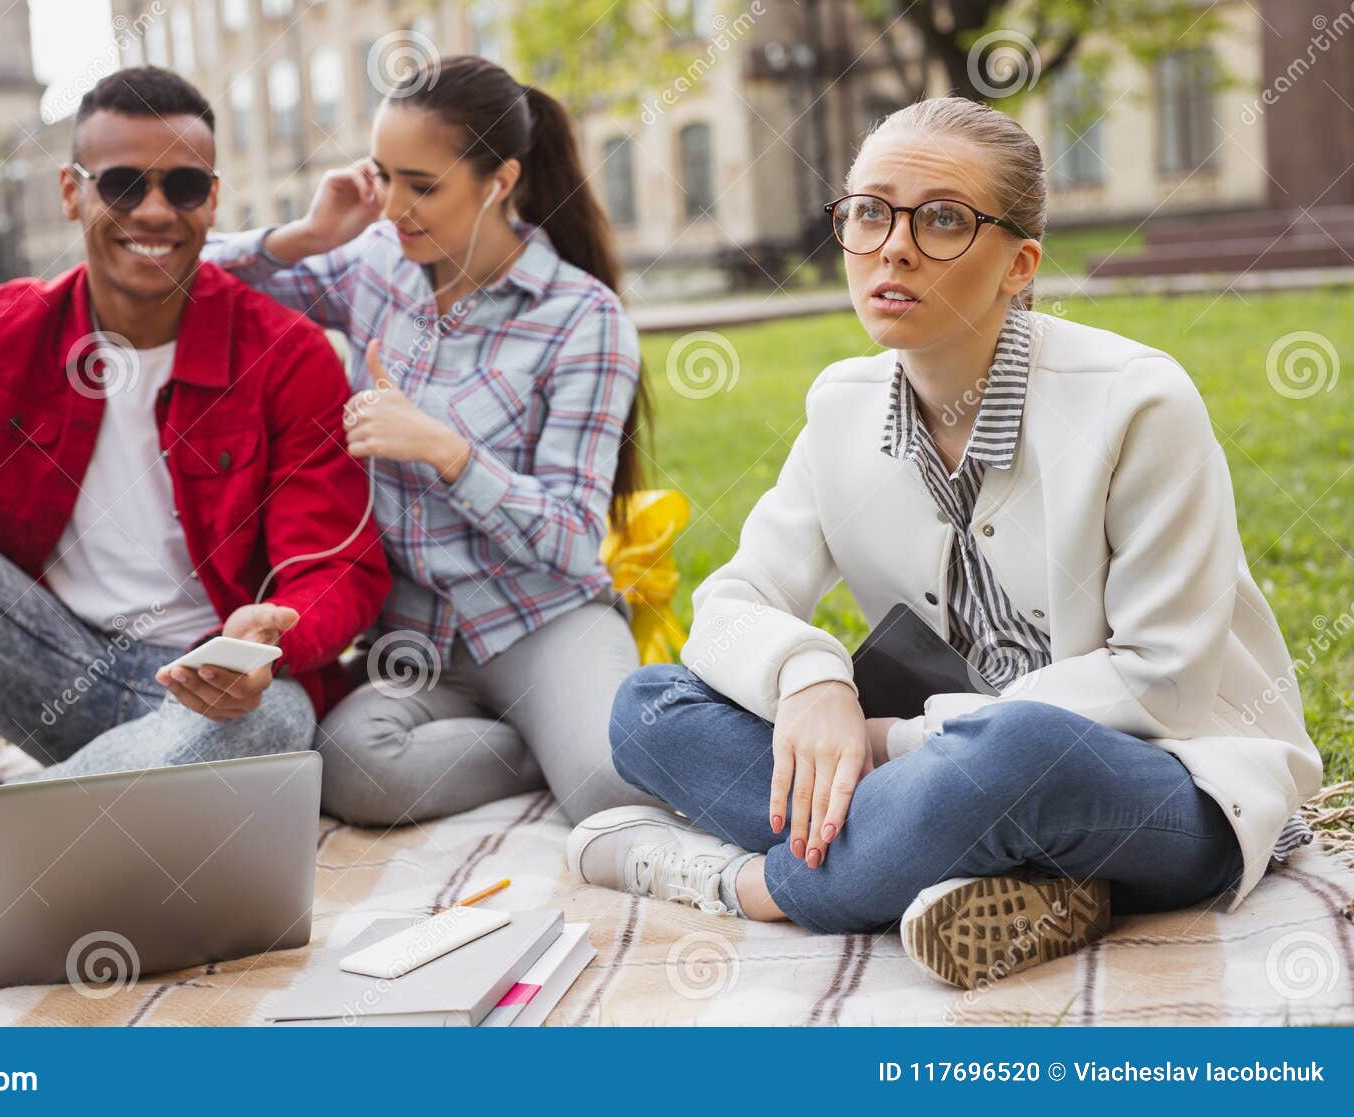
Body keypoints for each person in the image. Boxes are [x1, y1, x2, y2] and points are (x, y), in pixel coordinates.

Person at [566, 96, 1324, 989]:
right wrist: (810, 680)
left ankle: (747, 884)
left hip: (1162, 776)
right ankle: (1000, 874)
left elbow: (1163, 680)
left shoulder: (1138, 400)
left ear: (1019, 264)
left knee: (1014, 756)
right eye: (870, 212)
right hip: (949, 771)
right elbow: (732, 606)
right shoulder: (841, 404)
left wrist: (895, 743)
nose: (894, 246)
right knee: (650, 705)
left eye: (944, 220)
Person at [0, 67, 388, 857]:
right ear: (70, 191)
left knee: (279, 722)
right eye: (123, 184)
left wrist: (272, 638)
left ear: (213, 200)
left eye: (184, 185)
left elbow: (340, 566)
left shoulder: (284, 354)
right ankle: (16, 818)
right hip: (46, 664)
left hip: (212, 688)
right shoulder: (3, 334)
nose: (155, 210)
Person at [206, 55, 661, 827]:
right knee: (351, 770)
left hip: (541, 617)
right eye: (384, 176)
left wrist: (445, 450)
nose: (393, 208)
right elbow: (201, 281)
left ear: (499, 180)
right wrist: (307, 233)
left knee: (611, 791)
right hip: (416, 639)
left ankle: (571, 734)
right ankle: (535, 745)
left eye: (423, 186)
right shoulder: (375, 267)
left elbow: (575, 541)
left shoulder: (583, 318)